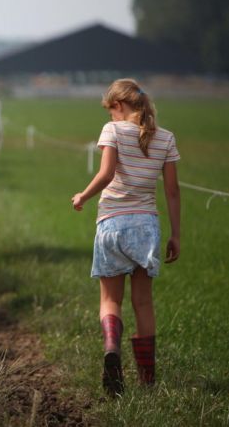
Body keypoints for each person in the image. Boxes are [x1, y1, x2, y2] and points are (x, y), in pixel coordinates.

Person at [72, 79, 181, 396]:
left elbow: (106, 174)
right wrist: (175, 234)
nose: (110, 119)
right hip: (146, 227)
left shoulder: (113, 131)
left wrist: (82, 196)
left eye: (111, 112)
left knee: (110, 301)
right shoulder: (166, 138)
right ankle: (147, 382)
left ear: (118, 106)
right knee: (143, 303)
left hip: (112, 225)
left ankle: (111, 350)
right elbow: (172, 191)